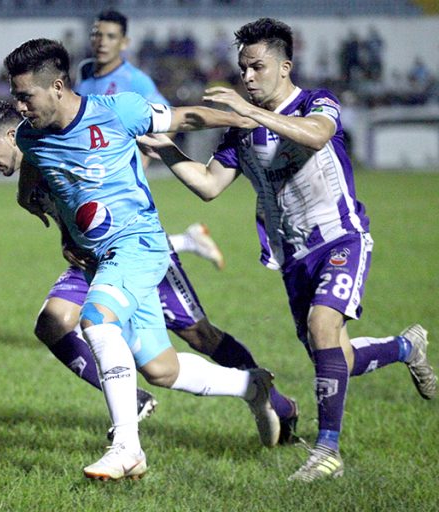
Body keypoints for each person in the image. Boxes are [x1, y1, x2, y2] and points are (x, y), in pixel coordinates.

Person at [136, 18, 437, 482]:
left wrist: (249, 112)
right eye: (243, 69)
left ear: (284, 66)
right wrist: (168, 149)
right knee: (333, 358)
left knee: (322, 326)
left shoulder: (317, 102)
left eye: (257, 67)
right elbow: (210, 186)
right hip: (292, 256)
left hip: (340, 237)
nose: (248, 77)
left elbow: (316, 135)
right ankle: (405, 347)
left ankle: (327, 452)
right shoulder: (241, 130)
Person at [2, 38, 281, 481]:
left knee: (96, 320)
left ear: (56, 86)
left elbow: (185, 117)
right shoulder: (30, 136)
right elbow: (37, 176)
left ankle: (127, 448)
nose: (18, 106)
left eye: (24, 96)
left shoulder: (118, 111)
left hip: (140, 246)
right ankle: (252, 385)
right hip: (100, 260)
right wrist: (43, 214)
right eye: (15, 96)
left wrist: (246, 115)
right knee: (161, 370)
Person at [0, 99, 300, 444]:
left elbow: (157, 126)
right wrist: (66, 239)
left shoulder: (75, 132)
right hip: (94, 264)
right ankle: (131, 407)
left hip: (137, 252)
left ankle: (275, 403)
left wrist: (241, 118)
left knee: (199, 336)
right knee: (53, 321)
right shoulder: (34, 171)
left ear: (11, 135)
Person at [74, 9, 224, 270]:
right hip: (94, 170)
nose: (102, 42)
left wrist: (144, 159)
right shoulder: (85, 71)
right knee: (106, 244)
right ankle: (189, 240)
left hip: (119, 175)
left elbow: (168, 118)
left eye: (111, 36)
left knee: (109, 244)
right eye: (97, 35)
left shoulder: (135, 80)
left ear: (124, 43)